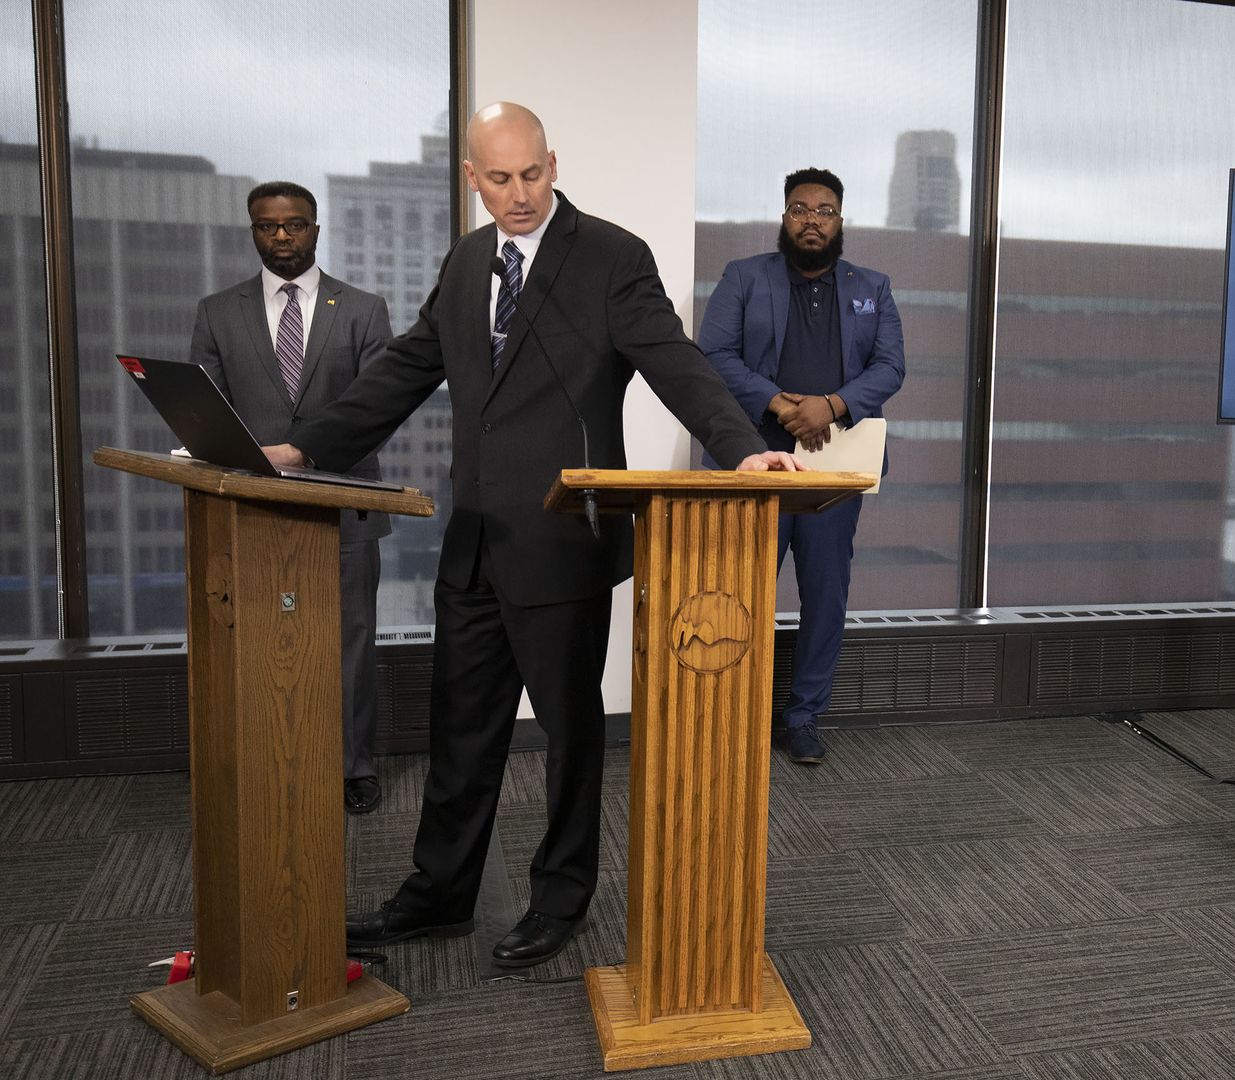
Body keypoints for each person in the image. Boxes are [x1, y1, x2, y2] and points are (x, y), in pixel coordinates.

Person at [264, 102, 797, 969]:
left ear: (554, 162)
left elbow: (674, 360)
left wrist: (741, 451)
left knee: (569, 736)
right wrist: (305, 446)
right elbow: (406, 366)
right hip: (473, 538)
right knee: (462, 732)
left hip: (562, 539)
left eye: (533, 174)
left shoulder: (610, 257)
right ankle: (438, 895)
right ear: (472, 179)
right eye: (500, 179)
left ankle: (561, 898)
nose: (520, 195)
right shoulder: (470, 259)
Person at [191, 180, 393, 814]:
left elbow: (378, 408)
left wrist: (308, 452)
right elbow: (205, 411)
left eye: (295, 225)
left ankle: (353, 765)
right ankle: (263, 755)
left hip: (344, 501)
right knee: (256, 638)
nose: (281, 236)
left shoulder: (362, 308)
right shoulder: (216, 311)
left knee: (350, 642)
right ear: (253, 230)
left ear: (315, 228)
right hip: (249, 508)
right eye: (267, 226)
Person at [697, 168, 904, 765]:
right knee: (738, 594)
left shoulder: (874, 286)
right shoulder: (744, 278)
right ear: (784, 217)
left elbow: (890, 367)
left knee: (825, 593)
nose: (812, 219)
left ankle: (804, 716)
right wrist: (778, 401)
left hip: (835, 469)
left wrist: (831, 406)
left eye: (825, 210)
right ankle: (733, 713)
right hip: (754, 460)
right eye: (799, 209)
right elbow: (712, 355)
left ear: (841, 220)